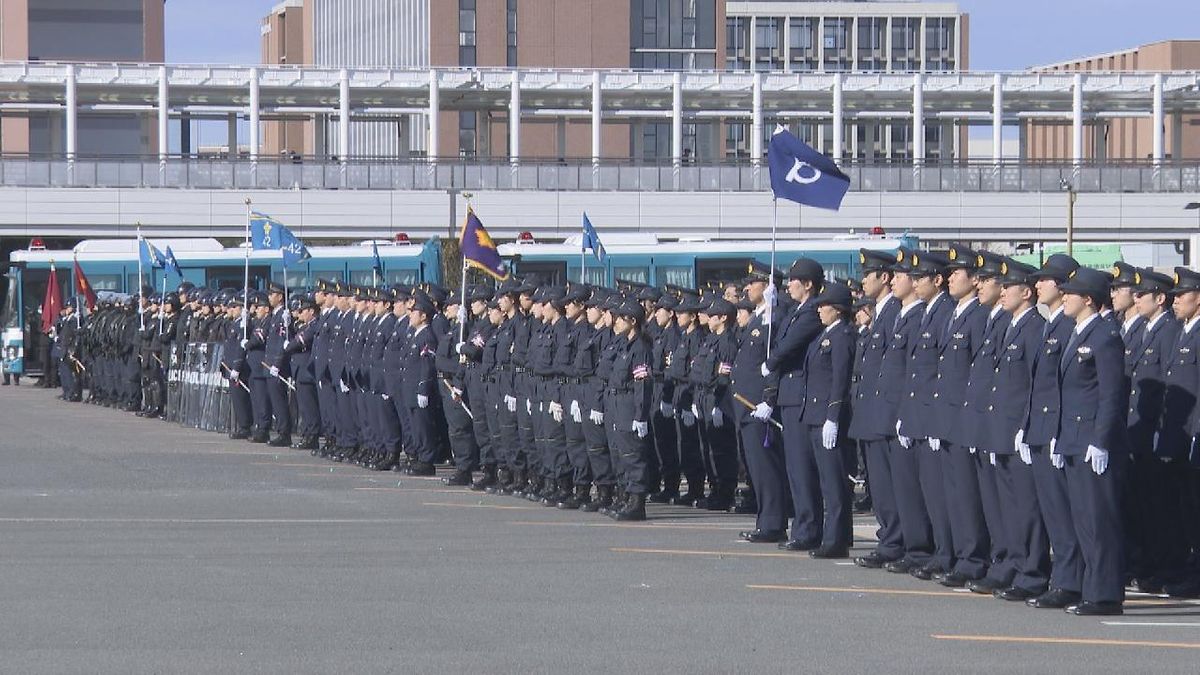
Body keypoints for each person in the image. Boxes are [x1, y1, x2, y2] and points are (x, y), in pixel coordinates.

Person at [1055, 266, 1130, 616]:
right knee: (1083, 520)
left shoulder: (1105, 335)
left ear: (1088, 299)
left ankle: (1106, 594)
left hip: (1092, 443)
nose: (1064, 296)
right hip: (1073, 439)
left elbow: (1112, 395)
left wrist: (1101, 440)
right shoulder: (1078, 332)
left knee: (1099, 521)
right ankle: (1091, 587)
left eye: (1071, 292)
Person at [766, 257, 826, 551]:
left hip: (800, 396)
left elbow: (787, 345)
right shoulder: (795, 312)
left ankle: (809, 529)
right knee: (794, 467)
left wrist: (772, 361)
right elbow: (779, 336)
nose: (788, 285)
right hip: (788, 397)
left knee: (803, 468)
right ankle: (802, 526)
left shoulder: (812, 312)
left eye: (793, 280)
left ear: (809, 285)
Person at [795, 281, 857, 558]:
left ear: (838, 310)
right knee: (824, 480)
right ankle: (830, 535)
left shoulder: (842, 335)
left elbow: (840, 379)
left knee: (834, 483)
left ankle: (837, 539)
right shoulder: (825, 335)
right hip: (815, 415)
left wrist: (833, 415)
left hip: (828, 418)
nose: (819, 310)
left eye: (824, 306)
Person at [601, 299, 654, 521]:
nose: (616, 321)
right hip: (615, 403)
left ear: (632, 321)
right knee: (619, 452)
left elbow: (643, 384)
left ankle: (637, 502)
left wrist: (640, 415)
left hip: (628, 404)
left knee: (632, 454)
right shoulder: (624, 345)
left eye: (621, 318)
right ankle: (625, 495)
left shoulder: (640, 348)